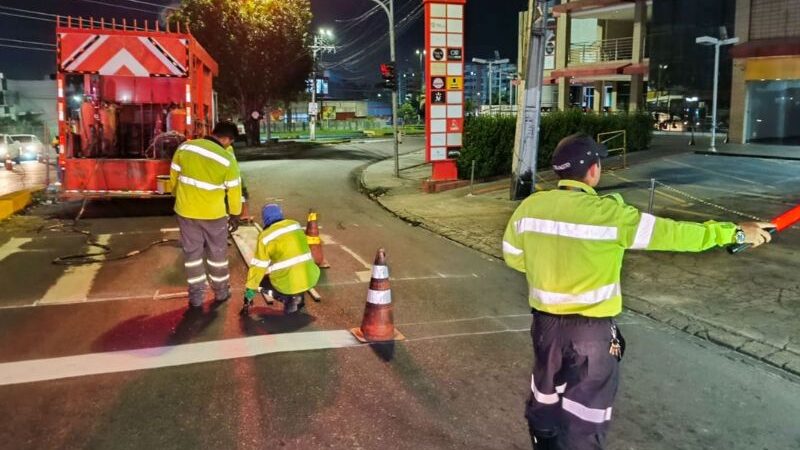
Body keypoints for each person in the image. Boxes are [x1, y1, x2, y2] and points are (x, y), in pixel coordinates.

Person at [502, 133, 774, 450]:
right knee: (585, 413)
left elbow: (512, 254)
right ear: (593, 171)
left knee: (545, 394)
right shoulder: (613, 216)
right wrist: (736, 233)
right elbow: (678, 235)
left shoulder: (530, 208)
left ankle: (543, 440)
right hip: (592, 333)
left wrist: (548, 271)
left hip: (545, 327)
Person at [170, 121, 243, 309]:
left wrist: (179, 196)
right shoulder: (227, 159)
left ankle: (196, 296)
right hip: (213, 215)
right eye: (230, 142)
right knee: (217, 253)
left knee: (192, 254)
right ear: (227, 139)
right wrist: (235, 214)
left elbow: (174, 179)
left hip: (186, 212)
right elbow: (234, 191)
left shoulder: (185, 147)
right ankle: (220, 292)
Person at [241, 204, 320, 316]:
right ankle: (299, 296)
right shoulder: (295, 225)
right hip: (311, 277)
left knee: (260, 282)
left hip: (288, 285)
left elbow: (258, 268)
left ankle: (289, 299)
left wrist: (249, 293)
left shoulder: (265, 237)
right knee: (296, 269)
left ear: (265, 219)